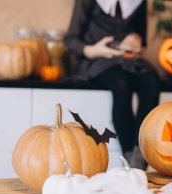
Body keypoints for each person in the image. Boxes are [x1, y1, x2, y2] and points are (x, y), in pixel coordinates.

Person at [65, 0, 160, 169]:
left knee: (151, 81)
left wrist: (136, 40)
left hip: (128, 60)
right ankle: (129, 155)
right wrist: (93, 50)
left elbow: (142, 39)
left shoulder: (139, 2)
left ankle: (140, 154)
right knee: (121, 84)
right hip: (98, 60)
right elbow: (71, 39)